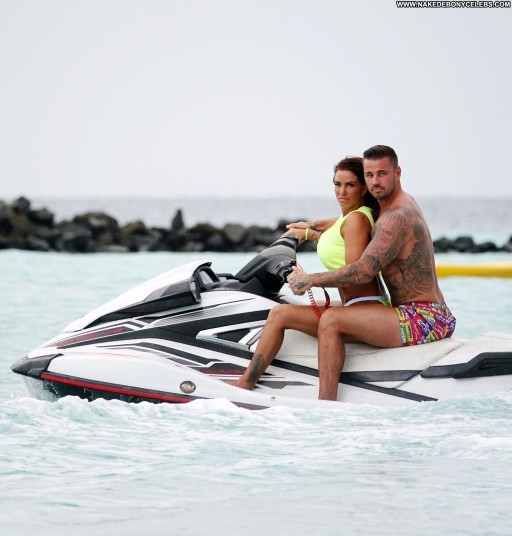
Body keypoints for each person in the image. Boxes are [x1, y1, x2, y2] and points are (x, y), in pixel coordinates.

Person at [287, 145, 456, 400]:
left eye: (382, 174)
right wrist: (311, 228)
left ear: (398, 172)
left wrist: (309, 280)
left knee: (332, 320)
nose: (375, 181)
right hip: (424, 312)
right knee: (320, 311)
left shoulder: (396, 217)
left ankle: (325, 405)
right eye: (369, 175)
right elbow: (346, 219)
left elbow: (364, 271)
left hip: (424, 317)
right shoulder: (391, 204)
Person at [232, 156, 389, 390]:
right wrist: (307, 230)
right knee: (285, 305)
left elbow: (355, 274)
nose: (342, 191)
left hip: (364, 309)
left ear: (364, 188)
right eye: (337, 184)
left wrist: (309, 280)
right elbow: (335, 228)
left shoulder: (356, 219)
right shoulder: (352, 215)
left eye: (350, 185)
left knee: (279, 314)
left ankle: (245, 384)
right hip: (355, 304)